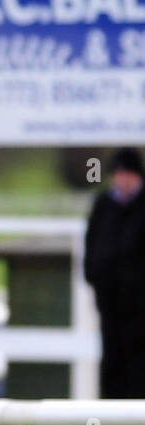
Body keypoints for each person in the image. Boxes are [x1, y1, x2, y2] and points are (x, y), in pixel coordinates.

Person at [85, 147, 145, 398]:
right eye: (117, 174)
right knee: (112, 362)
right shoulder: (103, 204)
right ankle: (109, 420)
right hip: (110, 303)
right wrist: (94, 276)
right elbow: (91, 244)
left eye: (126, 174)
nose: (121, 179)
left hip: (140, 307)